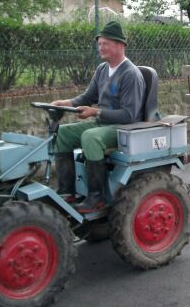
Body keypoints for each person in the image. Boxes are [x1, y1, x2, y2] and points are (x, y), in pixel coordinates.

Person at [51, 20, 145, 212]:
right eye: (99, 44)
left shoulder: (131, 74)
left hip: (123, 128)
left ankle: (97, 196)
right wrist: (65, 103)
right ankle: (66, 192)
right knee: (61, 133)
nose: (100, 48)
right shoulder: (102, 70)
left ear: (120, 45)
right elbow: (88, 97)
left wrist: (96, 112)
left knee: (90, 137)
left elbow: (129, 115)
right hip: (102, 123)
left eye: (105, 44)